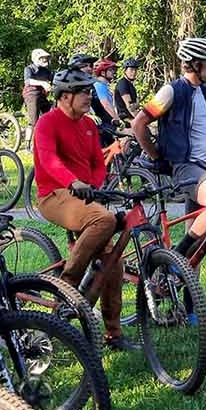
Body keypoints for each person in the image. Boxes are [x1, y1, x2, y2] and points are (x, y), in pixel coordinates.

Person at [34, 68, 135, 351]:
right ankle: (67, 286)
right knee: (104, 220)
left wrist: (93, 186)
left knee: (114, 262)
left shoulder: (89, 125)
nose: (89, 96)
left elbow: (97, 164)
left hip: (84, 197)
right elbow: (49, 160)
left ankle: (114, 333)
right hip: (54, 195)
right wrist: (73, 182)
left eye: (90, 91)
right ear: (65, 96)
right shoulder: (47, 123)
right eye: (83, 92)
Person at [133, 36, 206, 256]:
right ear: (196, 64)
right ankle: (177, 256)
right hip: (187, 167)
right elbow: (139, 123)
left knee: (197, 249)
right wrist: (156, 157)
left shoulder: (204, 91)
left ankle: (181, 271)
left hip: (205, 167)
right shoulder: (171, 91)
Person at [22, 48, 53, 131]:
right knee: (34, 122)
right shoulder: (29, 69)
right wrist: (43, 83)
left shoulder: (45, 71)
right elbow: (28, 81)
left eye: (46, 58)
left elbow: (54, 78)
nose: (45, 60)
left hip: (42, 95)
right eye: (43, 58)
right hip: (31, 95)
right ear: (36, 58)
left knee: (51, 116)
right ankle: (29, 138)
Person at [91, 59, 121, 128]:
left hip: (107, 121)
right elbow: (106, 104)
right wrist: (117, 118)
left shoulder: (104, 85)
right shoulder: (99, 85)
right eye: (110, 70)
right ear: (103, 73)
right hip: (102, 123)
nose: (113, 72)